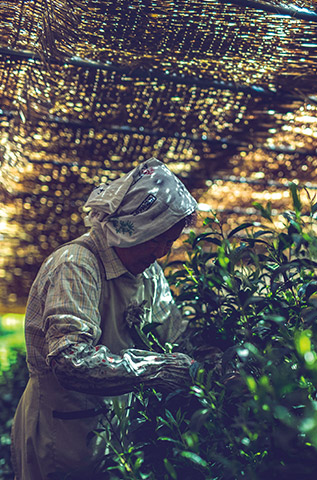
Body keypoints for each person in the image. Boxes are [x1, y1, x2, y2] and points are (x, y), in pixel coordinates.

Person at [11, 158, 198, 479]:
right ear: (135, 228)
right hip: (63, 428)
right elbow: (70, 360)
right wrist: (158, 369)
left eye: (170, 242)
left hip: (116, 428)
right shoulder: (76, 265)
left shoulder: (150, 274)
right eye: (159, 240)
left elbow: (176, 335)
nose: (163, 253)